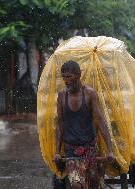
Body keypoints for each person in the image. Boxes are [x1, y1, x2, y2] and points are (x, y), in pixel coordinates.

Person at [54, 60, 115, 189]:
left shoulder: (89, 94)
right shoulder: (61, 96)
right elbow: (59, 124)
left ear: (78, 75)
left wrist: (110, 150)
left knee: (94, 184)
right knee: (76, 185)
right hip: (71, 150)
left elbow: (101, 121)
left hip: (90, 150)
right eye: (63, 77)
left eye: (69, 76)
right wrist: (57, 152)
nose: (66, 80)